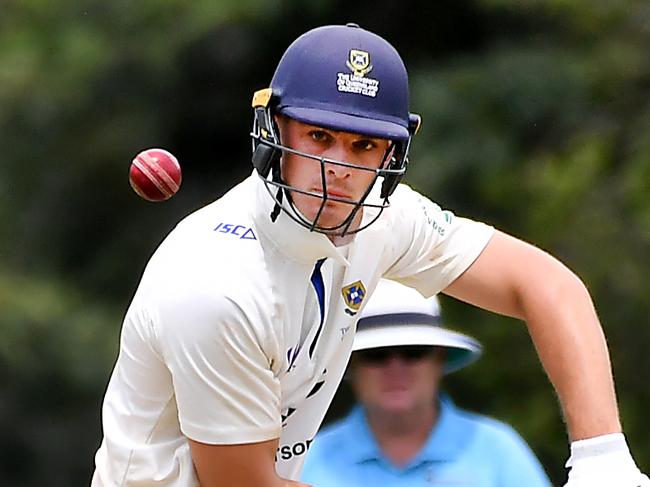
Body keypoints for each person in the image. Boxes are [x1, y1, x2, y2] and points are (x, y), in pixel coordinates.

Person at [91, 23, 648, 487]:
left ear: (392, 152)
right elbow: (244, 484)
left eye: (363, 145)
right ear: (273, 129)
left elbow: (547, 285)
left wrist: (604, 458)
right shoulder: (215, 284)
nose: (339, 168)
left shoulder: (387, 218)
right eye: (318, 136)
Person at [301, 279, 553, 487]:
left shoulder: (499, 450)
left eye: (414, 351)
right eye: (375, 355)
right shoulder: (306, 461)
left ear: (439, 359)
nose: (395, 368)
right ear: (350, 365)